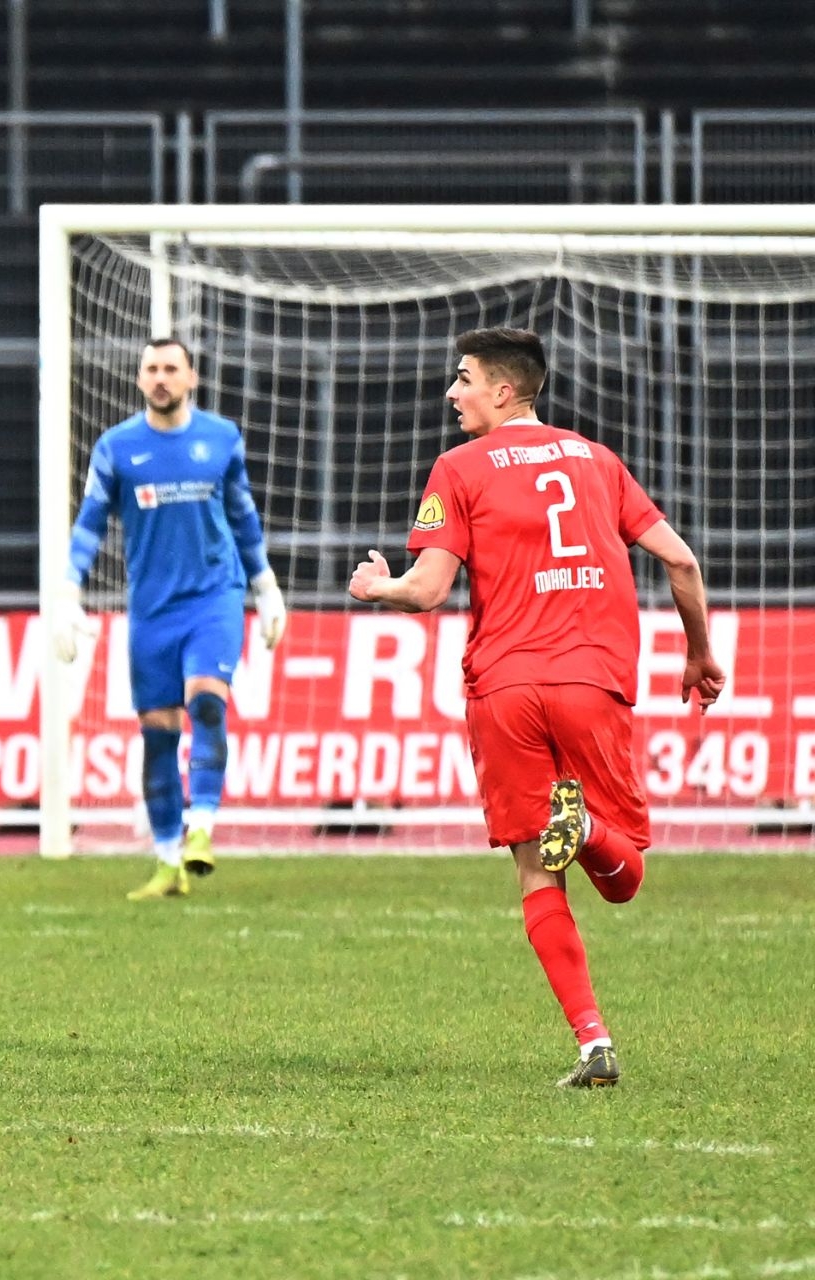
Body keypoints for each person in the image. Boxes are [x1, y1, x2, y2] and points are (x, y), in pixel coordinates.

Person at [348, 326, 726, 1089]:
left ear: (504, 390)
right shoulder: (597, 459)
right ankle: (584, 830)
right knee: (624, 877)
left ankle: (594, 1041)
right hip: (593, 682)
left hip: (506, 690)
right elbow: (681, 560)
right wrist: (699, 652)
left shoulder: (457, 469)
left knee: (534, 871)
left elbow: (426, 591)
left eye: (463, 379)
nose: (451, 394)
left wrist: (374, 588)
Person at [53, 336, 287, 900]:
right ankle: (166, 863)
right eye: (151, 369)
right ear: (139, 380)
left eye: (171, 368)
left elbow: (243, 516)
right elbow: (89, 525)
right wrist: (66, 590)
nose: (161, 377)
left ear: (191, 378)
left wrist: (265, 586)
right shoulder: (116, 448)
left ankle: (201, 827)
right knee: (158, 735)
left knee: (207, 700)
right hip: (152, 612)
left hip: (214, 598)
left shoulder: (221, 439)